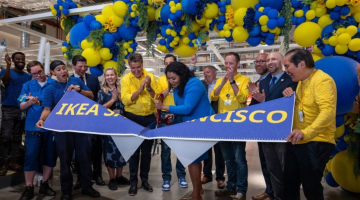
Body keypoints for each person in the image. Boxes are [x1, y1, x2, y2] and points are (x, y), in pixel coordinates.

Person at [35, 60, 100, 200]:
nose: (63, 71)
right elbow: (47, 109)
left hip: (81, 126)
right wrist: (42, 120)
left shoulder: (76, 80)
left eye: (63, 68)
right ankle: (66, 191)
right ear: (52, 73)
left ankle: (87, 187)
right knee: (64, 159)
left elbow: (91, 96)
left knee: (84, 157)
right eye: (58, 69)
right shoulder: (50, 88)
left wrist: (79, 90)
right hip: (62, 128)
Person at [154, 61, 214, 200]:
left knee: (193, 160)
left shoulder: (194, 84)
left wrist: (164, 107)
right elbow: (181, 107)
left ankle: (195, 195)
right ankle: (198, 190)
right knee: (195, 159)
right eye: (168, 78)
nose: (171, 81)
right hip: (190, 125)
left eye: (173, 78)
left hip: (200, 126)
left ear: (182, 75)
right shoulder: (178, 87)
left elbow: (188, 107)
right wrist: (173, 114)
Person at [282, 49, 336, 200]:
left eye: (287, 66)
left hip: (316, 141)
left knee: (311, 187)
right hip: (298, 140)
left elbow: (328, 112)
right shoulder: (301, 82)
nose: (286, 71)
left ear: (301, 64)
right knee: (289, 183)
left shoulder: (322, 80)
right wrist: (290, 97)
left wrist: (307, 132)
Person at [249, 52, 297, 200]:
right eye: (268, 60)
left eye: (273, 59)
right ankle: (276, 196)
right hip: (266, 132)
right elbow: (257, 108)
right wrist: (259, 100)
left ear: (281, 61)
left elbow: (293, 105)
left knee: (286, 170)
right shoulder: (262, 82)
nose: (270, 62)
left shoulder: (292, 80)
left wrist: (266, 101)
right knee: (273, 169)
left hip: (283, 133)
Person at [211, 52, 250, 200]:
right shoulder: (221, 80)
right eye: (226, 63)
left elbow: (243, 98)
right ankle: (230, 186)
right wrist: (222, 82)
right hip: (222, 126)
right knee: (228, 159)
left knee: (239, 159)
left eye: (231, 63)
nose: (228, 66)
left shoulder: (245, 80)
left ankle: (242, 189)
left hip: (238, 126)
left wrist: (233, 82)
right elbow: (214, 96)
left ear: (238, 64)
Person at [18, 61, 57, 200]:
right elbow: (21, 106)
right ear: (31, 74)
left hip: (51, 127)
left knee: (50, 157)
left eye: (40, 71)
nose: (38, 75)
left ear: (44, 69)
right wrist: (30, 102)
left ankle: (45, 184)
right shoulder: (27, 85)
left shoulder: (53, 83)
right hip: (32, 127)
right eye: (34, 74)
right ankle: (29, 187)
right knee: (30, 157)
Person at [120, 53, 158, 196]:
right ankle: (133, 183)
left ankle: (145, 180)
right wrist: (140, 90)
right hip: (132, 118)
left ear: (142, 64)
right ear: (130, 67)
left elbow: (156, 96)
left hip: (149, 118)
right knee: (134, 152)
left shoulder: (150, 76)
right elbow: (125, 100)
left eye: (139, 67)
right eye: (133, 68)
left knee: (147, 153)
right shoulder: (125, 80)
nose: (136, 70)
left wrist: (148, 87)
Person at [70, 55, 105, 189]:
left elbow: (96, 98)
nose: (83, 69)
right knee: (81, 151)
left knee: (97, 148)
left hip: (92, 118)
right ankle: (80, 178)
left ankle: (98, 175)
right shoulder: (69, 80)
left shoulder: (93, 79)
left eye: (85, 66)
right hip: (76, 120)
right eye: (80, 67)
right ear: (73, 66)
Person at [157, 54, 187, 191]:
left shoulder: (183, 82)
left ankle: (181, 175)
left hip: (179, 115)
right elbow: (158, 98)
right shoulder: (162, 80)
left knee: (181, 148)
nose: (168, 65)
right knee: (165, 149)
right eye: (166, 63)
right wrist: (168, 88)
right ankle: (166, 178)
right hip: (165, 116)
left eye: (171, 63)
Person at [97, 67, 130, 190]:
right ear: (105, 77)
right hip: (108, 128)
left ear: (116, 76)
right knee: (110, 152)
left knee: (121, 152)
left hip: (122, 127)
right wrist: (112, 100)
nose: (110, 77)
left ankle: (119, 176)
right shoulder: (102, 92)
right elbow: (99, 110)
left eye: (112, 75)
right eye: (107, 75)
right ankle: (111, 178)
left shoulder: (123, 90)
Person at [0, 52, 31, 175]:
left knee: (17, 137)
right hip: (8, 108)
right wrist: (8, 65)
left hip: (22, 109)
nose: (21, 61)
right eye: (17, 59)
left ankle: (14, 161)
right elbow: (5, 81)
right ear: (13, 60)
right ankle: (3, 163)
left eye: (22, 59)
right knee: (6, 136)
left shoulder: (28, 77)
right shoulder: (7, 72)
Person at [249, 53, 273, 200]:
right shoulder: (259, 82)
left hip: (273, 130)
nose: (258, 64)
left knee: (273, 164)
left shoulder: (273, 81)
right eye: (256, 61)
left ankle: (275, 193)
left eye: (262, 61)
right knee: (265, 162)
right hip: (262, 130)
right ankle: (269, 191)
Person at [201, 65, 226, 189]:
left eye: (208, 72)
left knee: (219, 150)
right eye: (204, 73)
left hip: (218, 120)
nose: (206, 74)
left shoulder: (222, 83)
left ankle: (220, 177)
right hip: (205, 121)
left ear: (215, 73)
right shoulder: (202, 85)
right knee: (206, 149)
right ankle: (206, 175)